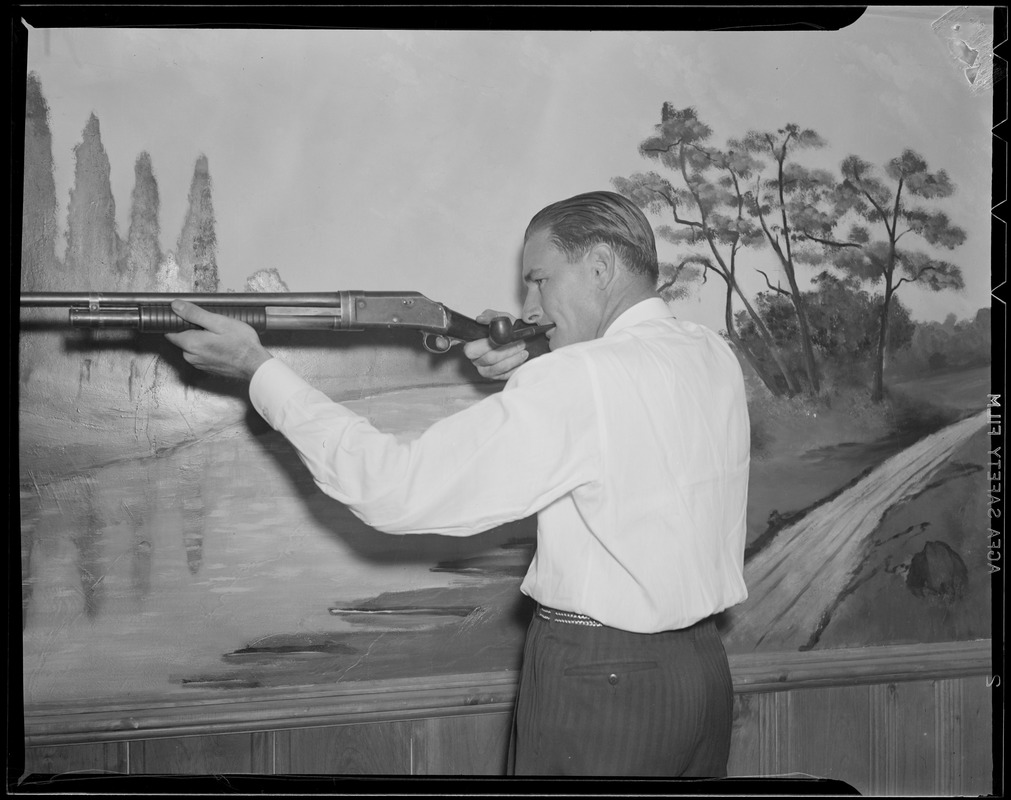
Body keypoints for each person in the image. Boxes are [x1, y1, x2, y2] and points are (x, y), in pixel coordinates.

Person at [165, 191, 750, 777]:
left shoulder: (580, 378)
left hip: (602, 677)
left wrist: (259, 370)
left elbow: (392, 489)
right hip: (699, 673)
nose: (531, 304)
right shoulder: (709, 353)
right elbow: (629, 440)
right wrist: (533, 372)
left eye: (540, 280)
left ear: (599, 267)